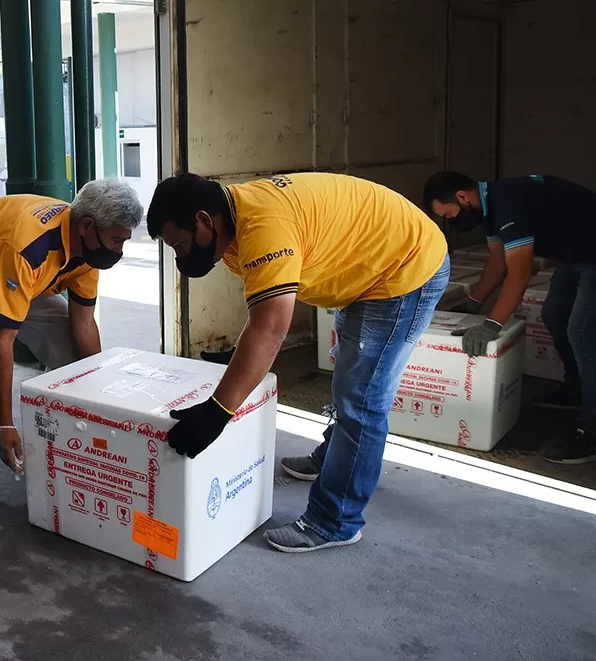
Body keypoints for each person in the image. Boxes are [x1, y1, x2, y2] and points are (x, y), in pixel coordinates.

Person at [147, 171, 448, 553]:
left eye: (181, 244)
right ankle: (334, 459)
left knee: (362, 400)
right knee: (349, 379)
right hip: (367, 268)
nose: (181, 257)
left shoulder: (263, 226)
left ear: (205, 220)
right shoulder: (233, 222)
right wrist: (240, 357)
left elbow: (271, 328)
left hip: (403, 270)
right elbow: (261, 308)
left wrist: (217, 411)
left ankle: (335, 521)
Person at [0, 179, 143, 511]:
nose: (119, 250)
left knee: (73, 357)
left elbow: (83, 322)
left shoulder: (89, 250)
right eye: (117, 240)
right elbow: (3, 340)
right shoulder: (28, 244)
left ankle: (66, 448)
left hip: (10, 273)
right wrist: (6, 425)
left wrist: (100, 404)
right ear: (88, 227)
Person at [424, 171, 596, 464]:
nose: (452, 222)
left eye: (450, 214)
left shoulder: (509, 201)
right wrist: (473, 302)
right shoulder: (491, 209)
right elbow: (499, 262)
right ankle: (578, 390)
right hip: (577, 256)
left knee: (582, 331)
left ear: (462, 197)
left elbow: (519, 273)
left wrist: (492, 325)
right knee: (555, 314)